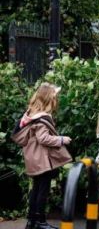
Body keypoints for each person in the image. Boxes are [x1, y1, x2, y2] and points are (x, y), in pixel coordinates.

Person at [11, 83, 72, 229]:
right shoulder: (42, 118)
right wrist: (62, 139)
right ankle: (40, 222)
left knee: (36, 189)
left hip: (34, 159)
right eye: (54, 98)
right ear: (48, 100)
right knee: (42, 191)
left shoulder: (31, 115)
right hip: (42, 160)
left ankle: (32, 221)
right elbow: (43, 138)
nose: (56, 100)